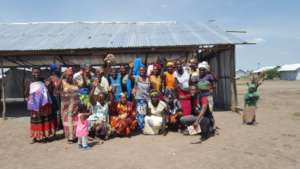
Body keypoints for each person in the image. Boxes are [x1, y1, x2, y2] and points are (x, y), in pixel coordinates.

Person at [26, 67, 56, 143]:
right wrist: (29, 98)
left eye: (38, 72)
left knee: (44, 119)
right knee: (35, 120)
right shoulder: (29, 81)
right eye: (35, 72)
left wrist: (49, 85)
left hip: (44, 104)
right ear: (32, 73)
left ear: (40, 73)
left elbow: (49, 90)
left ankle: (45, 136)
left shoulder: (44, 80)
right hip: (34, 104)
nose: (36, 74)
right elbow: (26, 91)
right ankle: (35, 137)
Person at [58, 68, 80, 143]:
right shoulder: (63, 82)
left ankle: (75, 136)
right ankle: (70, 137)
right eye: (68, 75)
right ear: (65, 75)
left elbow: (80, 88)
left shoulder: (75, 82)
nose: (69, 77)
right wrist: (62, 76)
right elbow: (57, 87)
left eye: (71, 75)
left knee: (75, 121)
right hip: (66, 106)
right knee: (68, 121)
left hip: (75, 105)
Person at [130, 66, 151, 130]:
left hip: (147, 99)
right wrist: (131, 68)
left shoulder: (148, 79)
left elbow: (150, 88)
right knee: (140, 114)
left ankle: (144, 127)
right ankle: (140, 127)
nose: (142, 71)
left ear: (145, 71)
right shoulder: (136, 78)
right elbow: (129, 77)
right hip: (139, 99)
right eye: (140, 70)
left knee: (146, 114)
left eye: (143, 70)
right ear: (139, 71)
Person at [46, 64, 62, 131]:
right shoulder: (50, 78)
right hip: (54, 97)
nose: (59, 70)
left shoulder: (59, 77)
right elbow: (50, 88)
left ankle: (60, 125)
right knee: (55, 112)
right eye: (57, 69)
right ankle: (56, 126)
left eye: (59, 69)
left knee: (60, 111)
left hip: (60, 96)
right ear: (54, 70)